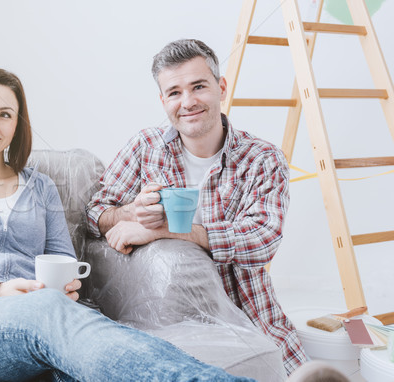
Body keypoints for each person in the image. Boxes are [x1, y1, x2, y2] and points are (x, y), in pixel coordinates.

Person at [0, 67, 254, 381]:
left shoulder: (40, 187)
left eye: (4, 114)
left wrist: (67, 287)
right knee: (52, 316)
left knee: (88, 359)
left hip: (42, 317)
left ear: (16, 125)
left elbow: (61, 258)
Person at [86, 39, 308, 376]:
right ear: (163, 101)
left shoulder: (261, 159)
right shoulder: (145, 147)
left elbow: (262, 239)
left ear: (221, 87)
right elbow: (95, 211)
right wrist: (131, 211)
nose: (187, 102)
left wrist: (159, 230)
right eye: (174, 92)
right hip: (166, 324)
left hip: (251, 316)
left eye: (198, 86)